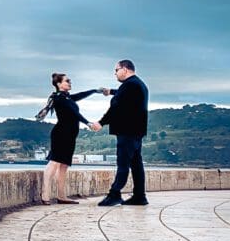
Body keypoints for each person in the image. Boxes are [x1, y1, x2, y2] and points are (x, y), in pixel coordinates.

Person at [37, 73, 101, 205]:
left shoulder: (67, 97)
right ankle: (45, 194)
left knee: (64, 165)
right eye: (67, 81)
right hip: (61, 134)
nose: (70, 83)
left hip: (70, 135)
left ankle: (62, 196)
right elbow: (75, 113)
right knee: (54, 162)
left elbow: (80, 95)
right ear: (59, 84)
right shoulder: (59, 98)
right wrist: (88, 123)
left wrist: (95, 91)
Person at [93, 59, 149, 206]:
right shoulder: (139, 84)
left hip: (127, 132)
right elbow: (122, 94)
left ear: (125, 69)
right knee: (136, 164)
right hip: (136, 132)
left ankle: (115, 194)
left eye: (116, 70)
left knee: (123, 163)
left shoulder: (129, 85)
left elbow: (116, 108)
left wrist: (101, 122)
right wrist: (110, 91)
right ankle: (139, 196)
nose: (115, 74)